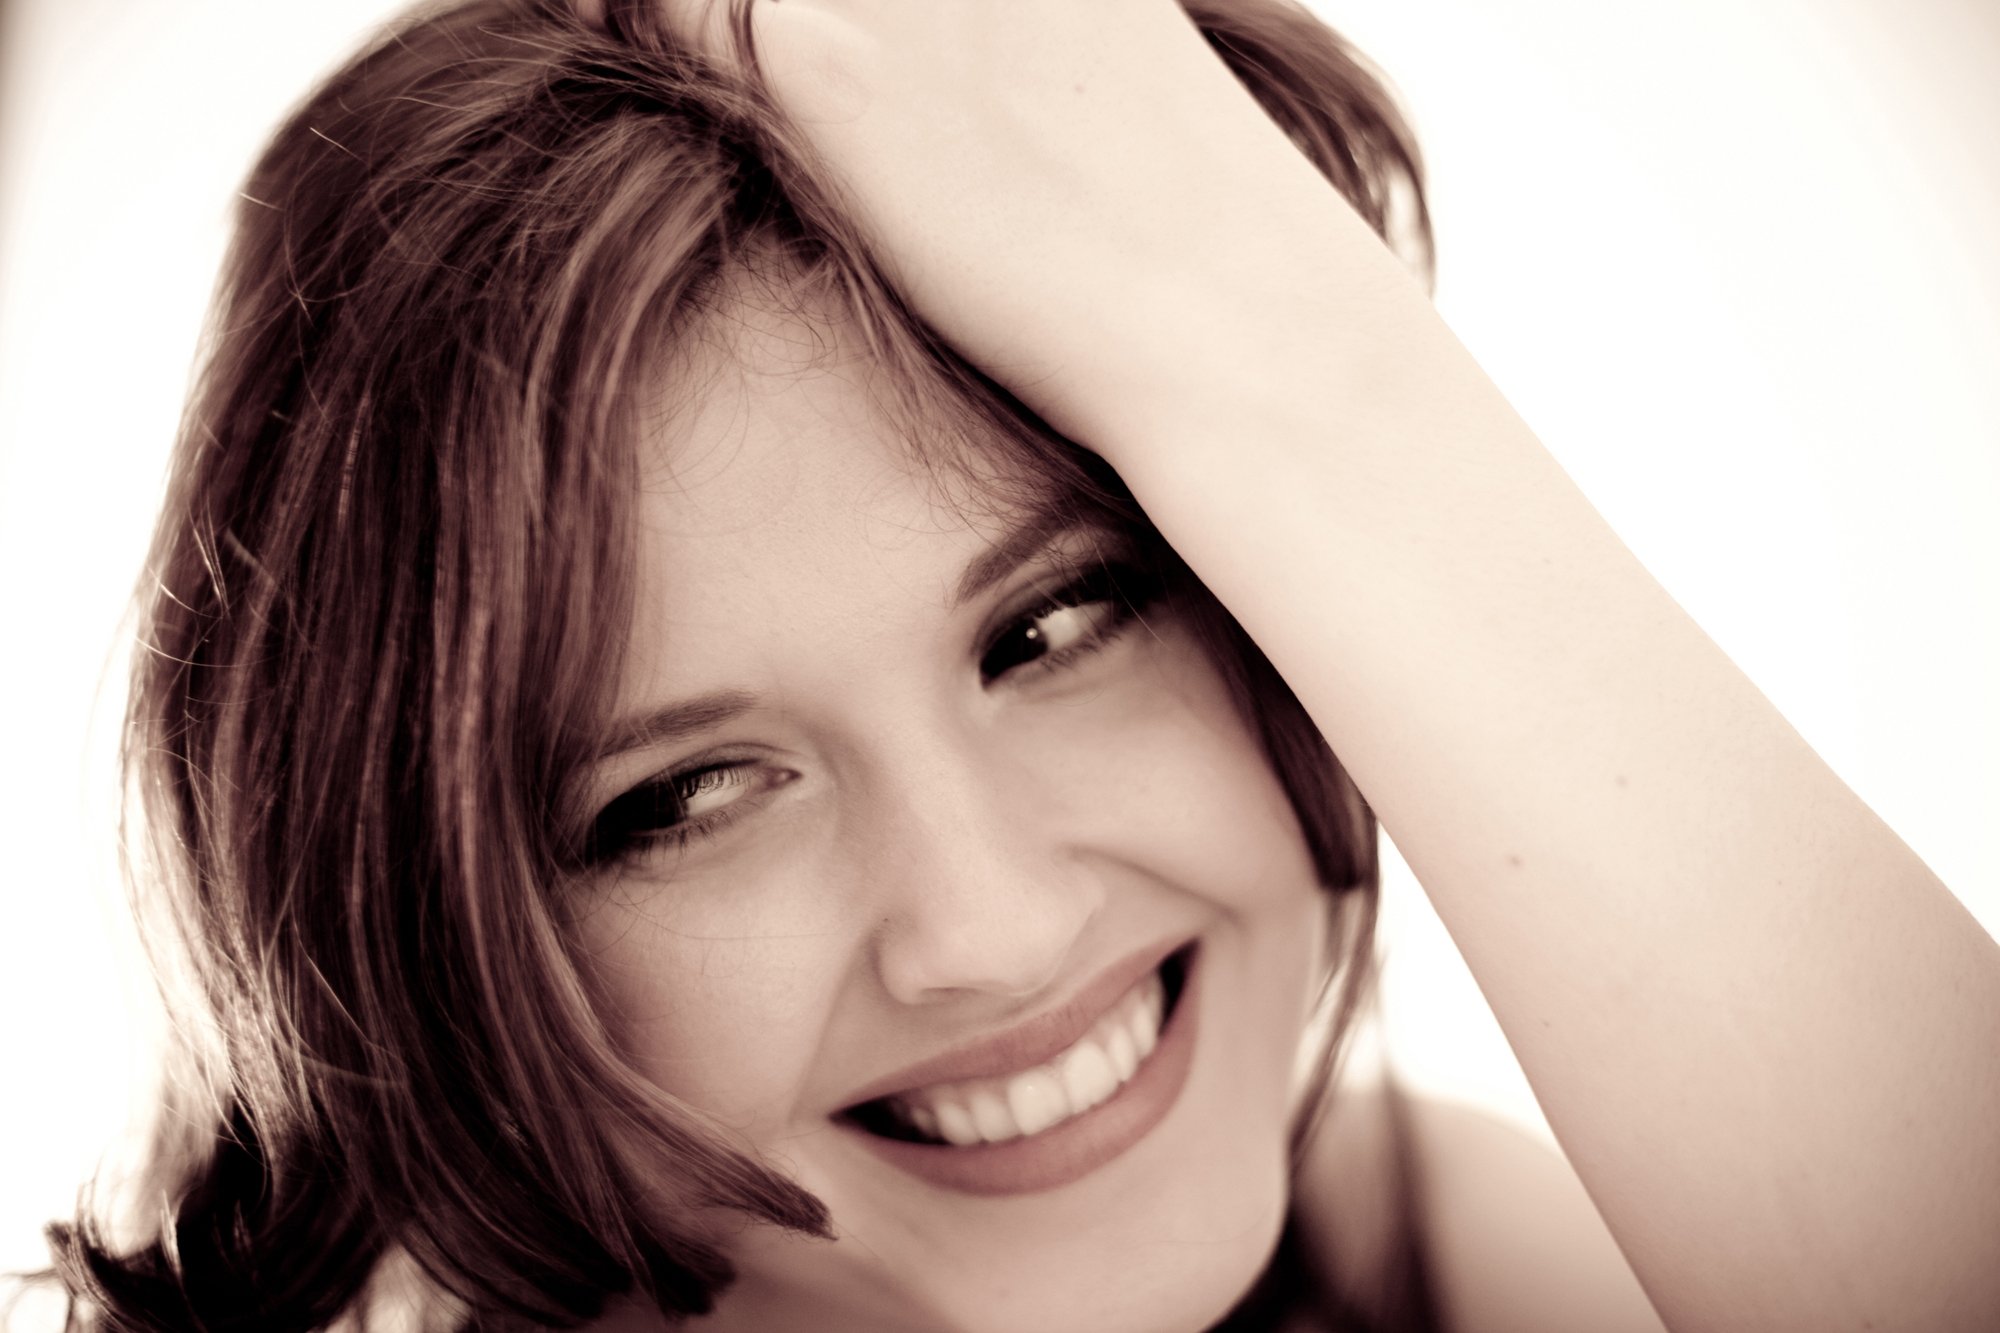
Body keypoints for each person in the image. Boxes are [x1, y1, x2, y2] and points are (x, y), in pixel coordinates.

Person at [30, 0, 2000, 1330]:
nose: (989, 930)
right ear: (401, 918)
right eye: (687, 796)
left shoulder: (1434, 1249)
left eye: (1051, 625)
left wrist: (1298, 354)